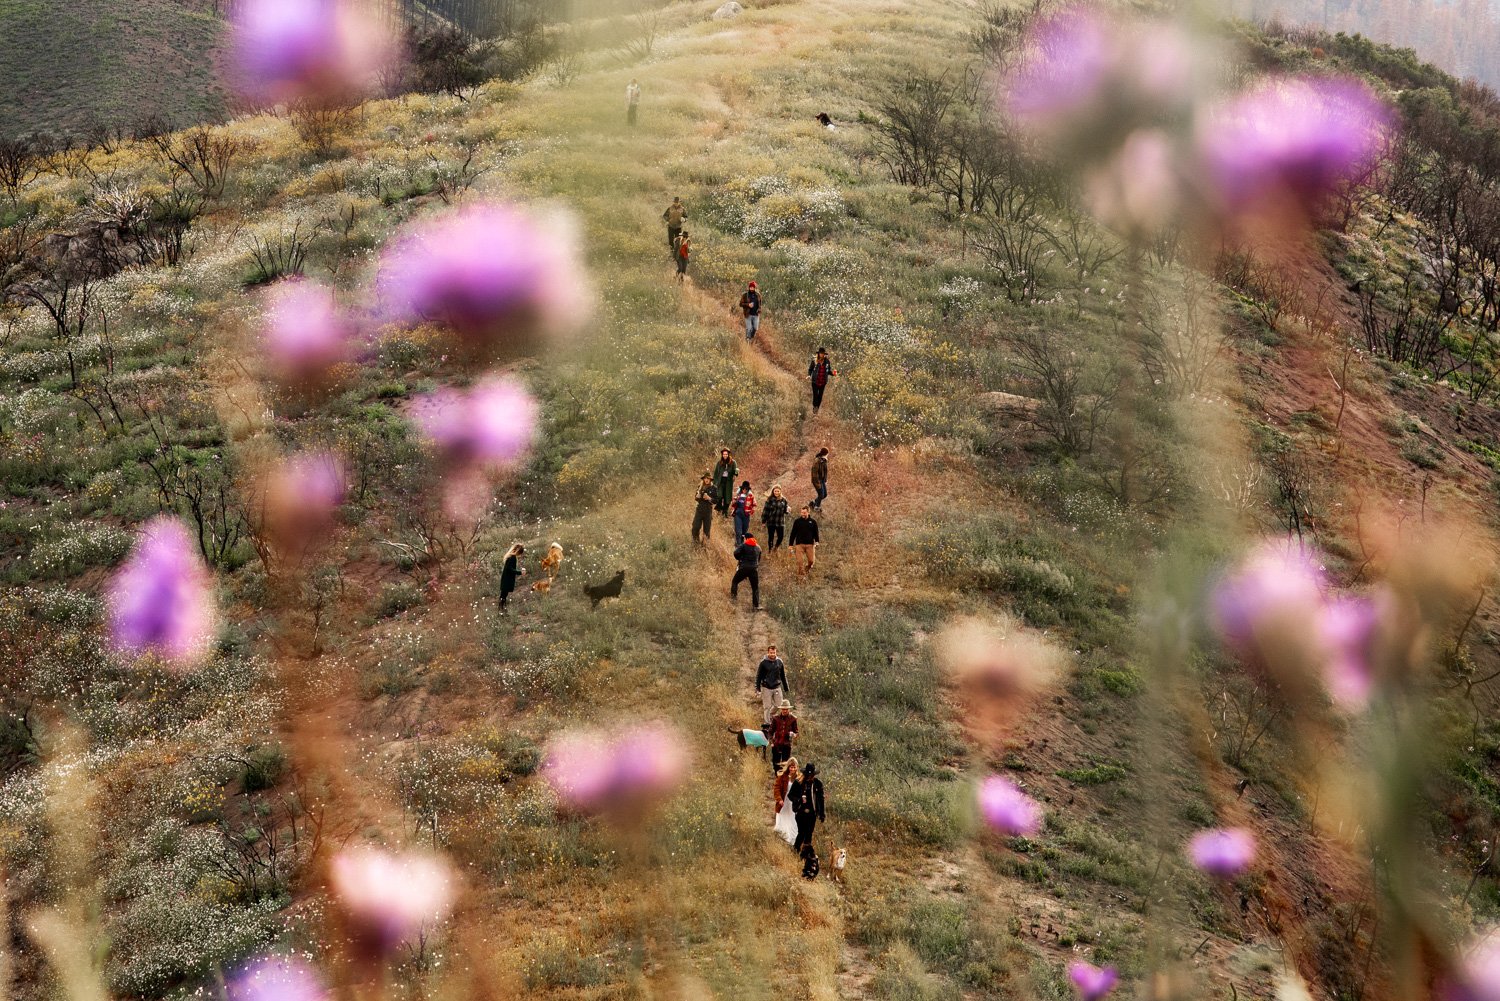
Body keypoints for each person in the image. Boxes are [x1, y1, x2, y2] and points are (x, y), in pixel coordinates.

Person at [790, 761, 825, 852]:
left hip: (812, 813)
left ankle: (806, 854)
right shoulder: (798, 782)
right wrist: (798, 799)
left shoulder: (818, 784)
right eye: (808, 775)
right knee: (802, 833)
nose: (809, 777)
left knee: (809, 833)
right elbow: (790, 795)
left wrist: (822, 814)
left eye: (811, 775)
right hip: (800, 812)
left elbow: (821, 799)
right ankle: (795, 850)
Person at [755, 644, 789, 725]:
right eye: (771, 653)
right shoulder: (763, 663)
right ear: (768, 652)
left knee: (779, 705)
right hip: (766, 687)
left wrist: (786, 687)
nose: (772, 654)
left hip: (777, 687)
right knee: (767, 706)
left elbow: (783, 675)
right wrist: (758, 688)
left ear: (776, 652)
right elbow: (758, 676)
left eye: (774, 653)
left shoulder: (779, 662)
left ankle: (771, 715)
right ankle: (767, 724)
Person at [731, 531, 762, 610]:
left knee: (735, 582)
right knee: (755, 588)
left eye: (745, 538)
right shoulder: (758, 547)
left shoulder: (744, 545)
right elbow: (759, 559)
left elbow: (735, 553)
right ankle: (756, 606)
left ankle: (733, 601)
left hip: (744, 568)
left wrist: (740, 558)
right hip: (754, 569)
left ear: (747, 538)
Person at [773, 758, 799, 844]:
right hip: (783, 802)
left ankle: (792, 840)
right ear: (788, 767)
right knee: (782, 818)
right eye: (790, 767)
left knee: (792, 820)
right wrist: (779, 799)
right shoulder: (782, 777)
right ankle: (781, 838)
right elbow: (776, 788)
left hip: (793, 803)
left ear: (796, 767)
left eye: (794, 767)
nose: (792, 769)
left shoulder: (799, 778)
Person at [789, 505, 819, 576]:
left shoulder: (813, 522)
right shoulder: (797, 521)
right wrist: (790, 545)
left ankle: (807, 568)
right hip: (799, 544)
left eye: (804, 513)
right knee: (800, 562)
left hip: (810, 545)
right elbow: (793, 533)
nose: (802, 514)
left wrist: (817, 541)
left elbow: (816, 533)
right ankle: (801, 577)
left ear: (808, 512)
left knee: (811, 561)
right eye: (802, 512)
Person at [769, 699, 798, 771]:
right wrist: (771, 742)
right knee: (775, 764)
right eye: (783, 709)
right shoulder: (776, 718)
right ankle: (777, 777)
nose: (784, 711)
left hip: (787, 745)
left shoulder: (793, 719)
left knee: (785, 764)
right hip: (776, 744)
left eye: (786, 709)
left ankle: (783, 779)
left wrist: (794, 735)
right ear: (781, 709)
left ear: (789, 709)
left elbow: (796, 732)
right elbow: (770, 731)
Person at [761, 484, 788, 552]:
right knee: (771, 537)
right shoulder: (769, 500)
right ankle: (770, 550)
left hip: (780, 521)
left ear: (780, 491)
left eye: (778, 491)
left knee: (781, 537)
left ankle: (775, 548)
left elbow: (785, 510)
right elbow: (765, 510)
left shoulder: (784, 500)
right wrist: (763, 521)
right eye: (775, 491)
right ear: (773, 491)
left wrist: (788, 510)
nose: (776, 492)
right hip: (771, 521)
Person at [499, 543, 526, 611]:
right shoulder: (513, 557)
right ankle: (501, 610)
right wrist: (520, 572)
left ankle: (502, 610)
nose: (519, 555)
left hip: (505, 578)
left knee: (503, 595)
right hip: (507, 579)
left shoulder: (510, 556)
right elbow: (510, 569)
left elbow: (509, 568)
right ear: (518, 551)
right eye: (520, 553)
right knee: (503, 596)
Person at [808, 347, 836, 413]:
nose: (821, 354)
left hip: (823, 382)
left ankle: (817, 408)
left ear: (824, 354)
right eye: (820, 353)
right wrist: (809, 375)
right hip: (815, 381)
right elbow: (810, 369)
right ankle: (815, 407)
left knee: (820, 396)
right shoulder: (814, 360)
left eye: (822, 353)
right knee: (815, 395)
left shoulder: (827, 362)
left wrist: (833, 374)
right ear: (818, 353)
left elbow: (828, 371)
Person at [713, 448, 738, 515]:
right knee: (719, 495)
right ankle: (719, 508)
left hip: (728, 482)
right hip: (720, 481)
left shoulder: (733, 462)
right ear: (722, 455)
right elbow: (715, 473)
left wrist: (735, 475)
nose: (725, 455)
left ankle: (725, 511)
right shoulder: (719, 462)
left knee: (727, 497)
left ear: (728, 454)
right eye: (724, 454)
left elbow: (736, 470)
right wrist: (715, 482)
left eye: (726, 454)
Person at [692, 473, 715, 543]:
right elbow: (696, 498)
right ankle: (696, 543)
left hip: (708, 510)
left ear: (710, 480)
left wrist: (709, 498)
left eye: (708, 478)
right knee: (695, 527)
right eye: (705, 478)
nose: (706, 480)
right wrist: (697, 497)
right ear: (703, 479)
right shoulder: (700, 486)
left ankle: (705, 546)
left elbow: (716, 501)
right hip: (699, 509)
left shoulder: (713, 488)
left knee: (706, 531)